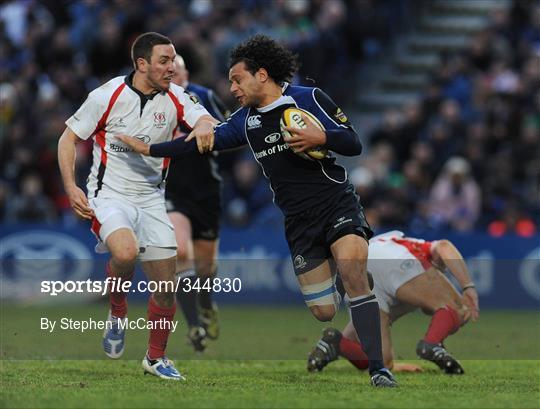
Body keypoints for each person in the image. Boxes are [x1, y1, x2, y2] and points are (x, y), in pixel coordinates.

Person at [117, 34, 398, 387]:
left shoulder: (308, 98)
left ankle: (379, 370)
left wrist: (321, 138)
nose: (232, 87)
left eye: (237, 79)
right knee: (324, 311)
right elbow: (198, 144)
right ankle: (350, 290)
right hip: (299, 222)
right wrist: (149, 149)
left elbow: (353, 142)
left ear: (261, 75)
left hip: (336, 201)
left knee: (355, 273)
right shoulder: (244, 122)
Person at [57, 32, 215, 380]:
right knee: (126, 253)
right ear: (141, 64)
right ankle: (117, 313)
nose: (171, 67)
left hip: (153, 200)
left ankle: (155, 358)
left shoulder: (176, 97)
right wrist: (70, 187)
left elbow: (205, 119)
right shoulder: (107, 95)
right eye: (164, 60)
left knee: (165, 286)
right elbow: (68, 138)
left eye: (173, 60)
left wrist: (204, 124)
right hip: (108, 194)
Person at [307, 231, 479, 375]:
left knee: (380, 362)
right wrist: (468, 286)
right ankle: (432, 344)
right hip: (393, 258)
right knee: (460, 309)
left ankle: (334, 343)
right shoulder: (419, 249)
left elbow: (354, 331)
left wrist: (345, 341)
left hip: (361, 267)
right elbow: (444, 246)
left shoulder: (409, 293)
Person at [167, 55, 228, 352]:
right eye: (167, 73)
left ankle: (206, 303)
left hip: (206, 191)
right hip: (171, 192)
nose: (171, 77)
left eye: (176, 72)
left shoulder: (203, 97)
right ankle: (194, 327)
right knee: (181, 252)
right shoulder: (155, 103)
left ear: (186, 73)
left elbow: (227, 129)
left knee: (206, 266)